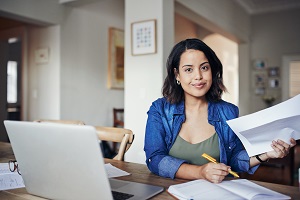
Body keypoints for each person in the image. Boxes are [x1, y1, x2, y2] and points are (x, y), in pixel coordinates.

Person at [144, 38, 296, 183]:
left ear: (212, 70)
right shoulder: (160, 110)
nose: (198, 76)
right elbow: (155, 159)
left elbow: (234, 160)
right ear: (177, 74)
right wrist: (200, 172)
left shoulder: (228, 112)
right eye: (189, 69)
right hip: (168, 192)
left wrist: (266, 154)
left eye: (204, 67)